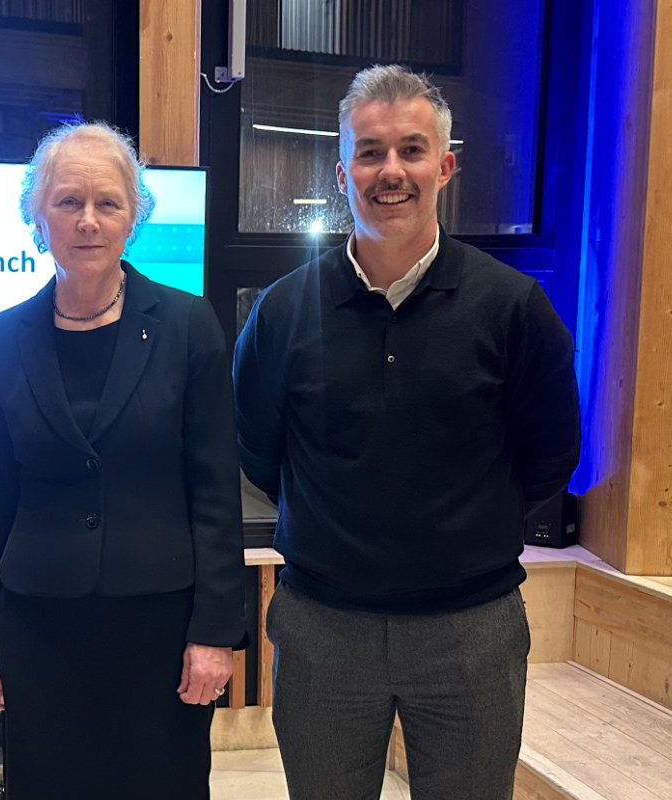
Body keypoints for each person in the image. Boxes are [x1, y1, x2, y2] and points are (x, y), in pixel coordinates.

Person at [233, 65, 581, 799]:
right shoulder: (283, 311)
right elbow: (259, 451)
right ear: (343, 171)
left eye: (412, 149)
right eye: (370, 152)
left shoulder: (514, 308)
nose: (391, 171)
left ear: (446, 166)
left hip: (471, 632)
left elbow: (550, 457)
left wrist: (459, 530)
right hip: (323, 629)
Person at [0, 122, 245, 799]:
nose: (87, 221)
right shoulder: (2, 337)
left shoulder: (188, 325)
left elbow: (214, 495)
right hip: (37, 630)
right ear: (37, 213)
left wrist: (215, 632)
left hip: (160, 631)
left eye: (107, 203)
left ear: (133, 217)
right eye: (67, 202)